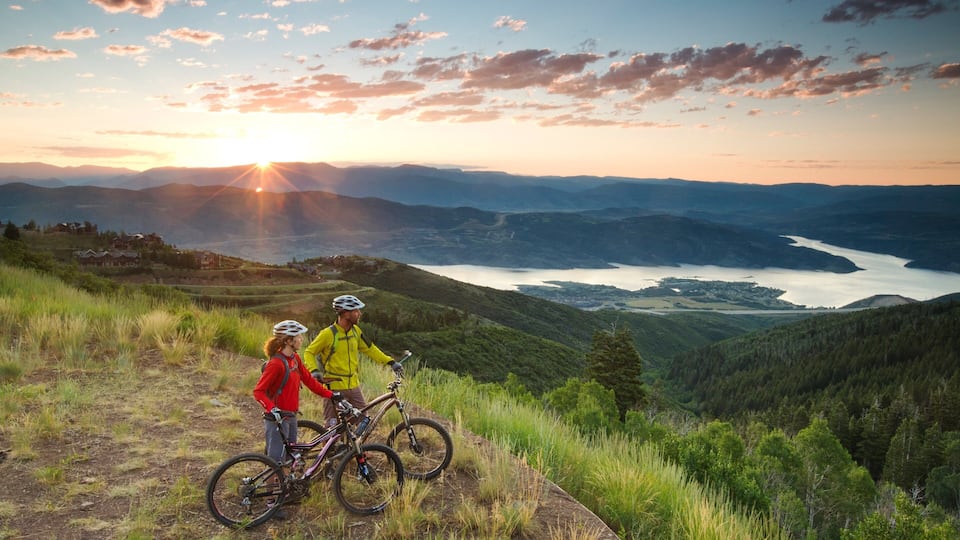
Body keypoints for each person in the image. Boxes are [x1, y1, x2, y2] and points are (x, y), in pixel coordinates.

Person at [253, 319, 342, 517]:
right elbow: (258, 392)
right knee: (275, 460)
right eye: (299, 336)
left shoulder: (295, 359)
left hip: (291, 416)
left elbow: (309, 381)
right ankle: (271, 502)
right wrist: (272, 408)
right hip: (277, 419)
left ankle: (283, 493)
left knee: (288, 458)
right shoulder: (276, 363)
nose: (302, 339)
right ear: (288, 340)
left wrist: (330, 395)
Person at [303, 294, 402, 427]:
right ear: (345, 314)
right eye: (356, 311)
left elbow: (370, 349)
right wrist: (314, 370)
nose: (359, 313)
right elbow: (309, 352)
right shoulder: (328, 334)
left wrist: (391, 362)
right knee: (333, 427)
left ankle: (357, 448)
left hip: (354, 386)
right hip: (335, 387)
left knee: (364, 422)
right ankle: (330, 448)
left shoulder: (356, 331)